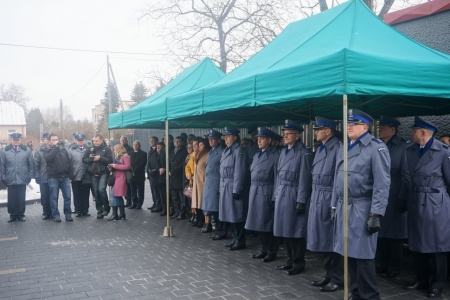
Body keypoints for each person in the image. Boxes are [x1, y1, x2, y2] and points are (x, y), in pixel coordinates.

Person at [331, 109, 390, 300]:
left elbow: (382, 183)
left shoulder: (376, 148)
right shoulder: (344, 147)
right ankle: (356, 293)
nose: (348, 127)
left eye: (352, 124)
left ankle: (370, 296)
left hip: (362, 209)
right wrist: (333, 205)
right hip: (343, 207)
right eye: (347, 124)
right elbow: (337, 178)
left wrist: (376, 213)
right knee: (349, 256)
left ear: (365, 127)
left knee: (363, 257)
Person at [403, 117, 450, 298]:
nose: (410, 133)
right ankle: (421, 278)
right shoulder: (411, 150)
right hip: (416, 201)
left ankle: (438, 283)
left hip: (435, 204)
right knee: (416, 243)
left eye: (414, 130)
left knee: (438, 245)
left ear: (423, 132)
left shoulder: (443, 151)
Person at [306, 117, 344, 291]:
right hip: (318, 195)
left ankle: (337, 277)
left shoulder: (337, 148)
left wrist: (334, 204)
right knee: (323, 238)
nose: (315, 132)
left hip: (329, 197)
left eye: (318, 129)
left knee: (332, 240)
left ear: (328, 131)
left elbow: (339, 179)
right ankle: (328, 274)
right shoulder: (322, 149)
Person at [273, 119, 312, 275]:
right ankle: (289, 259)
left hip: (294, 194)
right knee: (284, 229)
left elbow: (305, 179)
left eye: (289, 134)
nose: (286, 136)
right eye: (285, 134)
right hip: (282, 193)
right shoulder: (283, 151)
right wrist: (275, 195)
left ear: (297, 136)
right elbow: (278, 176)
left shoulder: (304, 152)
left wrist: (301, 200)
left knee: (295, 231)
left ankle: (298, 262)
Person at [376, 118, 410, 279]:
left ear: (393, 130)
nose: (380, 129)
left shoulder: (402, 147)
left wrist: (403, 198)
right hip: (381, 196)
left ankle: (394, 267)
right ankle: (382, 264)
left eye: (383, 127)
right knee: (381, 233)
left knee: (395, 236)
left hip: (395, 196)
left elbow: (406, 175)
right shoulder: (378, 146)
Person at [245, 127, 280, 262]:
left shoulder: (275, 156)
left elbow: (278, 177)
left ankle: (272, 250)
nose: (258, 140)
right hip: (255, 190)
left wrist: (275, 196)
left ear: (269, 140)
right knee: (258, 223)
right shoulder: (257, 154)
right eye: (258, 138)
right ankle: (264, 248)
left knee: (268, 223)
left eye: (262, 138)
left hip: (267, 190)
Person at [220, 127, 249, 251]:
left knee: (237, 215)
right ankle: (235, 238)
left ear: (235, 137)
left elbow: (239, 172)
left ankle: (240, 240)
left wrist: (236, 189)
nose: (225, 138)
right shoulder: (228, 150)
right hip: (226, 185)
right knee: (230, 215)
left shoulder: (239, 151)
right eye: (225, 136)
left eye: (228, 136)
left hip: (233, 186)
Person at [0, 133, 34, 222]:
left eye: (17, 140)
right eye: (14, 140)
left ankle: (21, 214)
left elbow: (31, 164)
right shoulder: (5, 151)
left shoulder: (27, 150)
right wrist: (3, 177)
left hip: (22, 178)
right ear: (11, 140)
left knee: (21, 197)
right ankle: (12, 214)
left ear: (20, 140)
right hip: (10, 178)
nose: (16, 141)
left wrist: (29, 176)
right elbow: (2, 165)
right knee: (11, 198)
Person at [43, 133, 74, 223]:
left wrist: (70, 175)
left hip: (65, 177)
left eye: (56, 139)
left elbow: (69, 162)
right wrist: (55, 148)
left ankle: (68, 215)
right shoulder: (46, 149)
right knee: (53, 197)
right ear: (49, 141)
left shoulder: (63, 149)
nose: (55, 141)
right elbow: (49, 158)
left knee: (67, 197)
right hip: (53, 177)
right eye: (53, 140)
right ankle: (56, 215)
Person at [202, 130, 226, 240]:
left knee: (217, 210)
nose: (210, 141)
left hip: (216, 183)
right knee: (212, 209)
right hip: (210, 183)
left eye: (213, 139)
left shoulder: (221, 151)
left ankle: (221, 231)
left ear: (218, 140)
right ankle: (217, 230)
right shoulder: (212, 151)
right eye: (209, 139)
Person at [82, 133, 113, 219]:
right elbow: (84, 160)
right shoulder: (90, 149)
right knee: (95, 192)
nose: (95, 142)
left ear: (101, 140)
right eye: (94, 141)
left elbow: (110, 160)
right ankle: (99, 210)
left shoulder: (106, 149)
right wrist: (90, 159)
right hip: (92, 173)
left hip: (103, 172)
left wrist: (100, 158)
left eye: (97, 141)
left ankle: (106, 208)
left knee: (101, 189)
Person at [67, 133, 91, 217]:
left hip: (86, 175)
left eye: (82, 140)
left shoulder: (89, 149)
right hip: (75, 175)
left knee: (86, 193)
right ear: (76, 141)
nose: (81, 142)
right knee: (76, 194)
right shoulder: (70, 150)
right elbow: (68, 163)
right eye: (79, 140)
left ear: (85, 140)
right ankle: (78, 210)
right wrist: (70, 176)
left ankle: (85, 210)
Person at [107, 144, 131, 221]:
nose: (114, 151)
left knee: (113, 195)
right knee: (118, 196)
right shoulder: (119, 157)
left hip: (121, 178)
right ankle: (122, 213)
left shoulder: (125, 156)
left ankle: (114, 214)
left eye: (115, 149)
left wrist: (115, 166)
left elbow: (127, 166)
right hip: (117, 178)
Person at [194, 139, 211, 232]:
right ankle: (199, 219)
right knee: (197, 202)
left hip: (203, 182)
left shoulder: (208, 155)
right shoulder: (198, 155)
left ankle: (205, 222)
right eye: (199, 145)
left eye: (201, 145)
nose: (199, 147)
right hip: (197, 182)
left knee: (203, 203)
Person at [169, 136, 188, 220]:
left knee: (181, 197)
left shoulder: (184, 152)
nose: (176, 143)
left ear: (182, 142)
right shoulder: (172, 151)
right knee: (174, 196)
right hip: (172, 177)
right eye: (175, 141)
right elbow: (169, 162)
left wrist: (173, 171)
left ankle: (182, 212)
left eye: (178, 141)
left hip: (179, 176)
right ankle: (176, 211)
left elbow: (182, 164)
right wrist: (170, 171)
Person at [34, 133, 53, 220]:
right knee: (45, 196)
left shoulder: (56, 149)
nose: (48, 141)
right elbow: (36, 164)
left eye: (50, 139)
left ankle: (53, 211)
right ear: (43, 140)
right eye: (46, 139)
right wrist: (37, 176)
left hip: (54, 177)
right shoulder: (39, 151)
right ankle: (46, 212)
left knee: (53, 195)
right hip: (43, 176)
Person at [129, 140, 147, 209]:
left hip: (139, 174)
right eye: (134, 145)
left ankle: (139, 203)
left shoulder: (143, 153)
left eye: (137, 145)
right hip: (131, 175)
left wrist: (135, 169)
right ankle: (134, 203)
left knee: (140, 190)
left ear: (140, 146)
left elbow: (143, 163)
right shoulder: (130, 153)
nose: (135, 146)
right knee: (133, 190)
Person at [147, 136, 161, 212]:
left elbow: (157, 162)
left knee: (157, 191)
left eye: (152, 141)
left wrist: (154, 170)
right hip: (150, 173)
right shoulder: (150, 151)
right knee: (153, 190)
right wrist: (149, 170)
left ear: (156, 142)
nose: (151, 142)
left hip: (156, 174)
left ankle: (158, 204)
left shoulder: (157, 150)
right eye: (150, 141)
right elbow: (148, 162)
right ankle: (155, 203)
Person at [120, 136, 133, 207]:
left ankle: (129, 201)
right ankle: (126, 199)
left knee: (128, 186)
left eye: (124, 140)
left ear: (127, 141)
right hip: (120, 170)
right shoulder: (118, 148)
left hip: (127, 170)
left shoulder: (130, 149)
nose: (122, 141)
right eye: (121, 140)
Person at [184, 140, 195, 222]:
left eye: (191, 147)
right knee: (192, 199)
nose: (190, 149)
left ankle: (196, 215)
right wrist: (188, 174)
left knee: (196, 200)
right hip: (191, 180)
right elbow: (187, 167)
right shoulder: (190, 156)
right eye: (188, 148)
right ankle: (193, 214)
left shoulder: (195, 155)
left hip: (197, 180)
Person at [156, 142, 168, 216]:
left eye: (159, 146)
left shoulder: (164, 153)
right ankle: (163, 207)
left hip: (165, 176)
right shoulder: (157, 154)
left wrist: (164, 169)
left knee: (164, 194)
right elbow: (156, 163)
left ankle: (166, 208)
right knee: (161, 194)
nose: (158, 148)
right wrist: (159, 168)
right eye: (157, 147)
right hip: (159, 176)